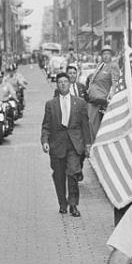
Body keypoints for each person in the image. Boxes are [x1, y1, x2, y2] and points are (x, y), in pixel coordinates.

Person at [41, 72, 91, 217]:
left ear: (70, 84)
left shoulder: (80, 103)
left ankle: (73, 205)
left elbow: (85, 125)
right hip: (57, 144)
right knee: (59, 175)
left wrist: (87, 144)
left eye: (65, 81)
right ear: (57, 85)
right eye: (60, 82)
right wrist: (45, 141)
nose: (63, 84)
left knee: (73, 173)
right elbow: (46, 126)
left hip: (74, 144)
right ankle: (63, 203)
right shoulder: (51, 104)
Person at [86, 45, 119, 137]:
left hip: (100, 99)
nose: (105, 56)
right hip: (91, 98)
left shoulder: (113, 66)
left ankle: (95, 145)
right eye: (104, 54)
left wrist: (111, 96)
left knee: (94, 125)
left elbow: (114, 82)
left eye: (108, 54)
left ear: (111, 55)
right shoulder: (100, 65)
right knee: (90, 124)